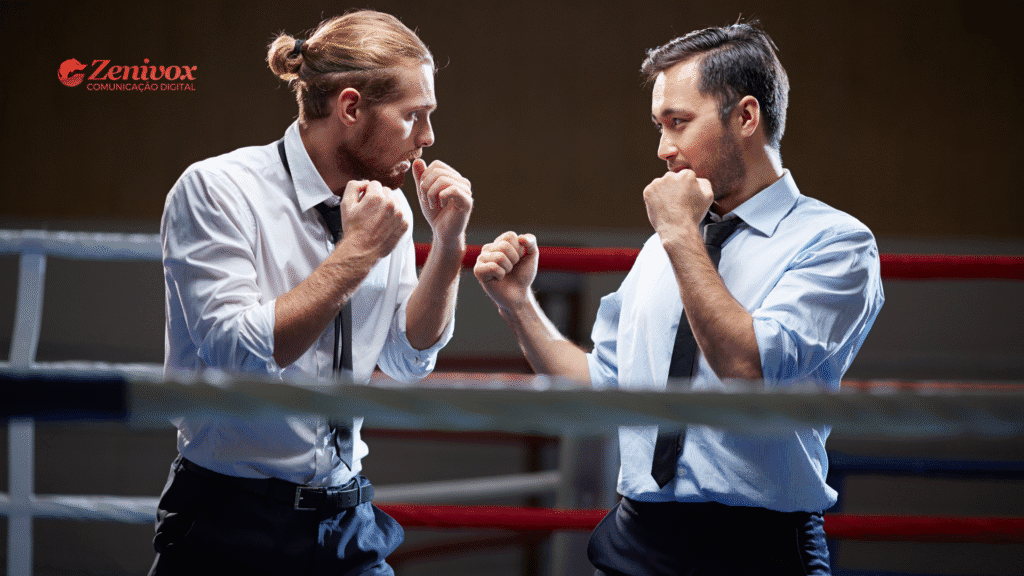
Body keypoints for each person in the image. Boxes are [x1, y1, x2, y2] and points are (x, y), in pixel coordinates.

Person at [474, 21, 883, 575]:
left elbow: (748, 366)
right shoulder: (667, 244)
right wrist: (518, 305)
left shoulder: (835, 243)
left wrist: (680, 235)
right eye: (660, 126)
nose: (664, 149)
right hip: (636, 536)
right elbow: (602, 388)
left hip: (758, 547)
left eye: (679, 123)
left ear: (746, 117)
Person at [153, 10, 472, 576]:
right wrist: (357, 252)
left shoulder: (384, 203)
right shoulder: (218, 189)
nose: (427, 137)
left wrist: (448, 244)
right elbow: (236, 353)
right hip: (229, 517)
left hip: (347, 518)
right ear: (350, 108)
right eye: (413, 116)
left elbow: (406, 360)